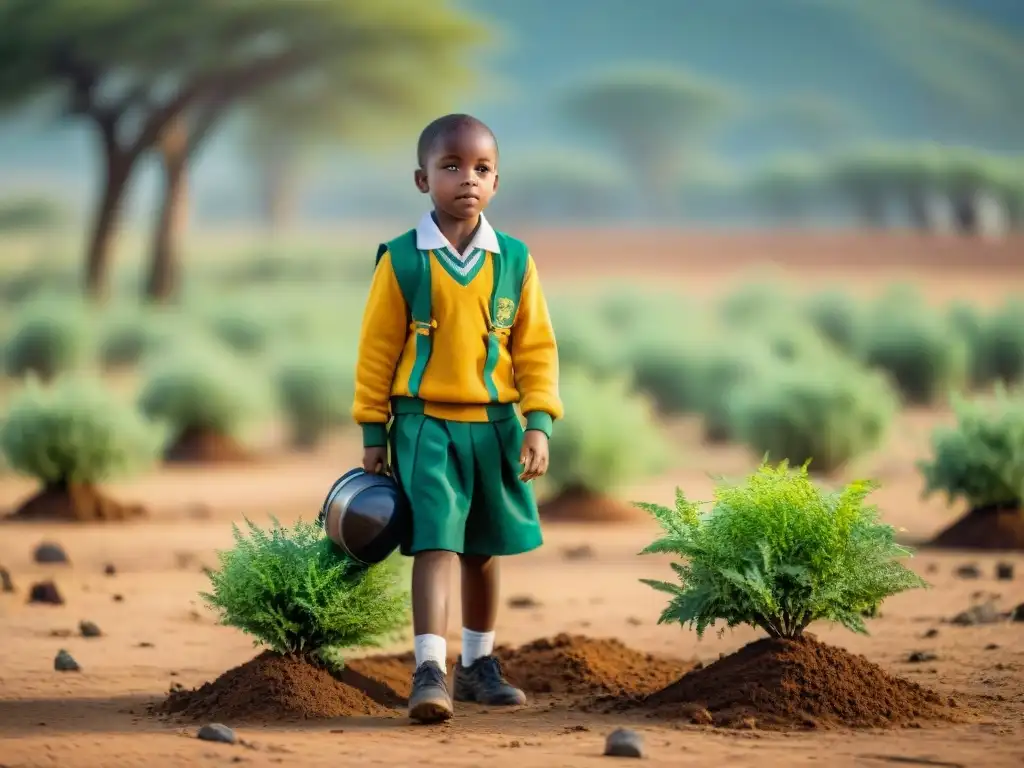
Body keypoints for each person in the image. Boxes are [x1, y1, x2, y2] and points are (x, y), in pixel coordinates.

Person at [352, 113, 562, 724]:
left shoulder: (516, 261)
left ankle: (478, 665)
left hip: (496, 425)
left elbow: (537, 349)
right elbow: (376, 352)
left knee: (485, 548)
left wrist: (538, 422)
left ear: (497, 181)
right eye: (450, 167)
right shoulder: (403, 261)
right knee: (436, 542)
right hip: (425, 427)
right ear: (422, 180)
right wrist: (372, 432)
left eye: (481, 168)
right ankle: (428, 669)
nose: (466, 179)